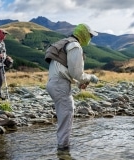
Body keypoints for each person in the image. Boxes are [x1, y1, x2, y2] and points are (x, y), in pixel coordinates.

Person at [45, 23, 99, 151]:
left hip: (54, 83)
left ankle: (62, 145)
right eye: (90, 35)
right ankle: (63, 149)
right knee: (67, 114)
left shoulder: (66, 43)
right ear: (84, 34)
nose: (90, 38)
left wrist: (78, 82)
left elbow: (66, 71)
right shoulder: (75, 46)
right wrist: (90, 77)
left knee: (64, 114)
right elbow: (77, 73)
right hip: (60, 85)